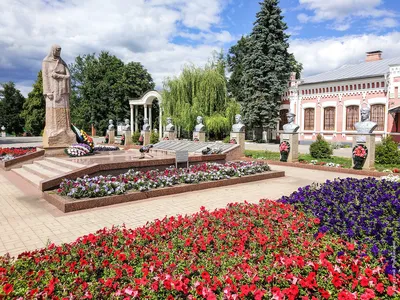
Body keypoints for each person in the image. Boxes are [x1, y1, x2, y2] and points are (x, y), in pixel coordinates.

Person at [42, 44, 76, 146]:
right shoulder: (46, 62)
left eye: (60, 51)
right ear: (52, 50)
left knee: (64, 111)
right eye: (57, 50)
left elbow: (68, 75)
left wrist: (58, 75)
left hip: (63, 90)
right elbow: (45, 77)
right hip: (52, 91)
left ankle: (66, 131)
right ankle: (53, 132)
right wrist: (47, 91)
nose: (58, 53)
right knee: (53, 113)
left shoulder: (62, 62)